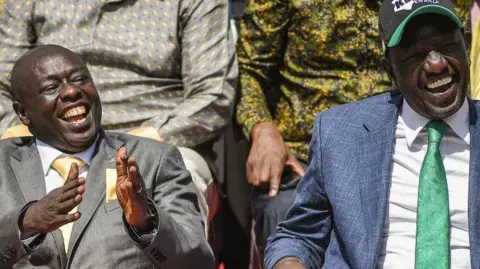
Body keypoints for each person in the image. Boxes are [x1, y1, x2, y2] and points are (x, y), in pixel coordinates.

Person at [236, 0, 471, 260]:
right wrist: (261, 127)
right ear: (389, 69)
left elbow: (451, 47)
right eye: (415, 54)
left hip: (417, 123)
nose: (435, 62)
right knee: (282, 209)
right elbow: (249, 69)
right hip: (301, 155)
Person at [0, 0, 238, 229]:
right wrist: (29, 137)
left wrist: (140, 141)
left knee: (171, 178)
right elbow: (3, 87)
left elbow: (213, 97)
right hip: (47, 135)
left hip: (157, 139)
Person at [0, 45, 213, 269]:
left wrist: (146, 222)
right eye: (51, 87)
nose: (72, 92)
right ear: (23, 112)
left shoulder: (152, 160)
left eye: (80, 79)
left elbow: (197, 262)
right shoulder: (3, 163)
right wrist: (28, 222)